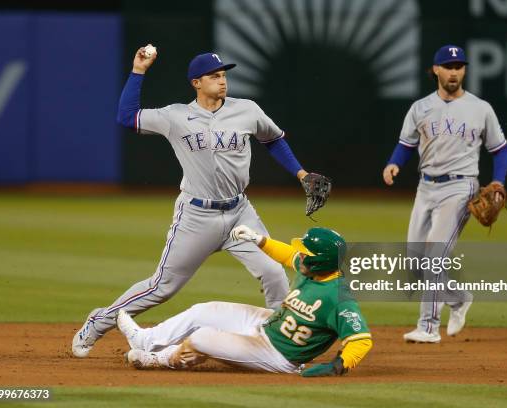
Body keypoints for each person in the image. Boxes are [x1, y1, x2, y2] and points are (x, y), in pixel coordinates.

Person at [72, 45, 330, 358]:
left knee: (274, 272)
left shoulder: (247, 110)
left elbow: (273, 139)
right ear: (196, 82)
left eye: (223, 75)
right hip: (196, 217)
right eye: (214, 76)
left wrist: (301, 173)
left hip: (240, 214)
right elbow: (127, 117)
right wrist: (138, 70)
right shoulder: (175, 117)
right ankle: (98, 322)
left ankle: (282, 345)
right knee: (161, 287)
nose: (222, 81)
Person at [115, 225, 372, 376]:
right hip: (267, 323)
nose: (300, 256)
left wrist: (336, 367)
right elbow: (286, 254)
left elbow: (361, 340)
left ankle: (160, 360)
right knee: (206, 310)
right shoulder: (313, 269)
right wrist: (259, 240)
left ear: (320, 261)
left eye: (306, 254)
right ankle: (146, 339)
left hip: (276, 355)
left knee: (202, 338)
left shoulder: (338, 298)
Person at [382, 45, 507, 343]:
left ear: (464, 71)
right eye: (448, 66)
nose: (454, 71)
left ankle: (428, 327)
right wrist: (393, 163)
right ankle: (459, 298)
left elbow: (500, 149)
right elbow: (406, 144)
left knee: (434, 257)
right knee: (414, 261)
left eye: (459, 66)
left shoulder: (481, 108)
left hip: (460, 186)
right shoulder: (420, 107)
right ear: (435, 70)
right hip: (425, 186)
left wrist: (499, 182)